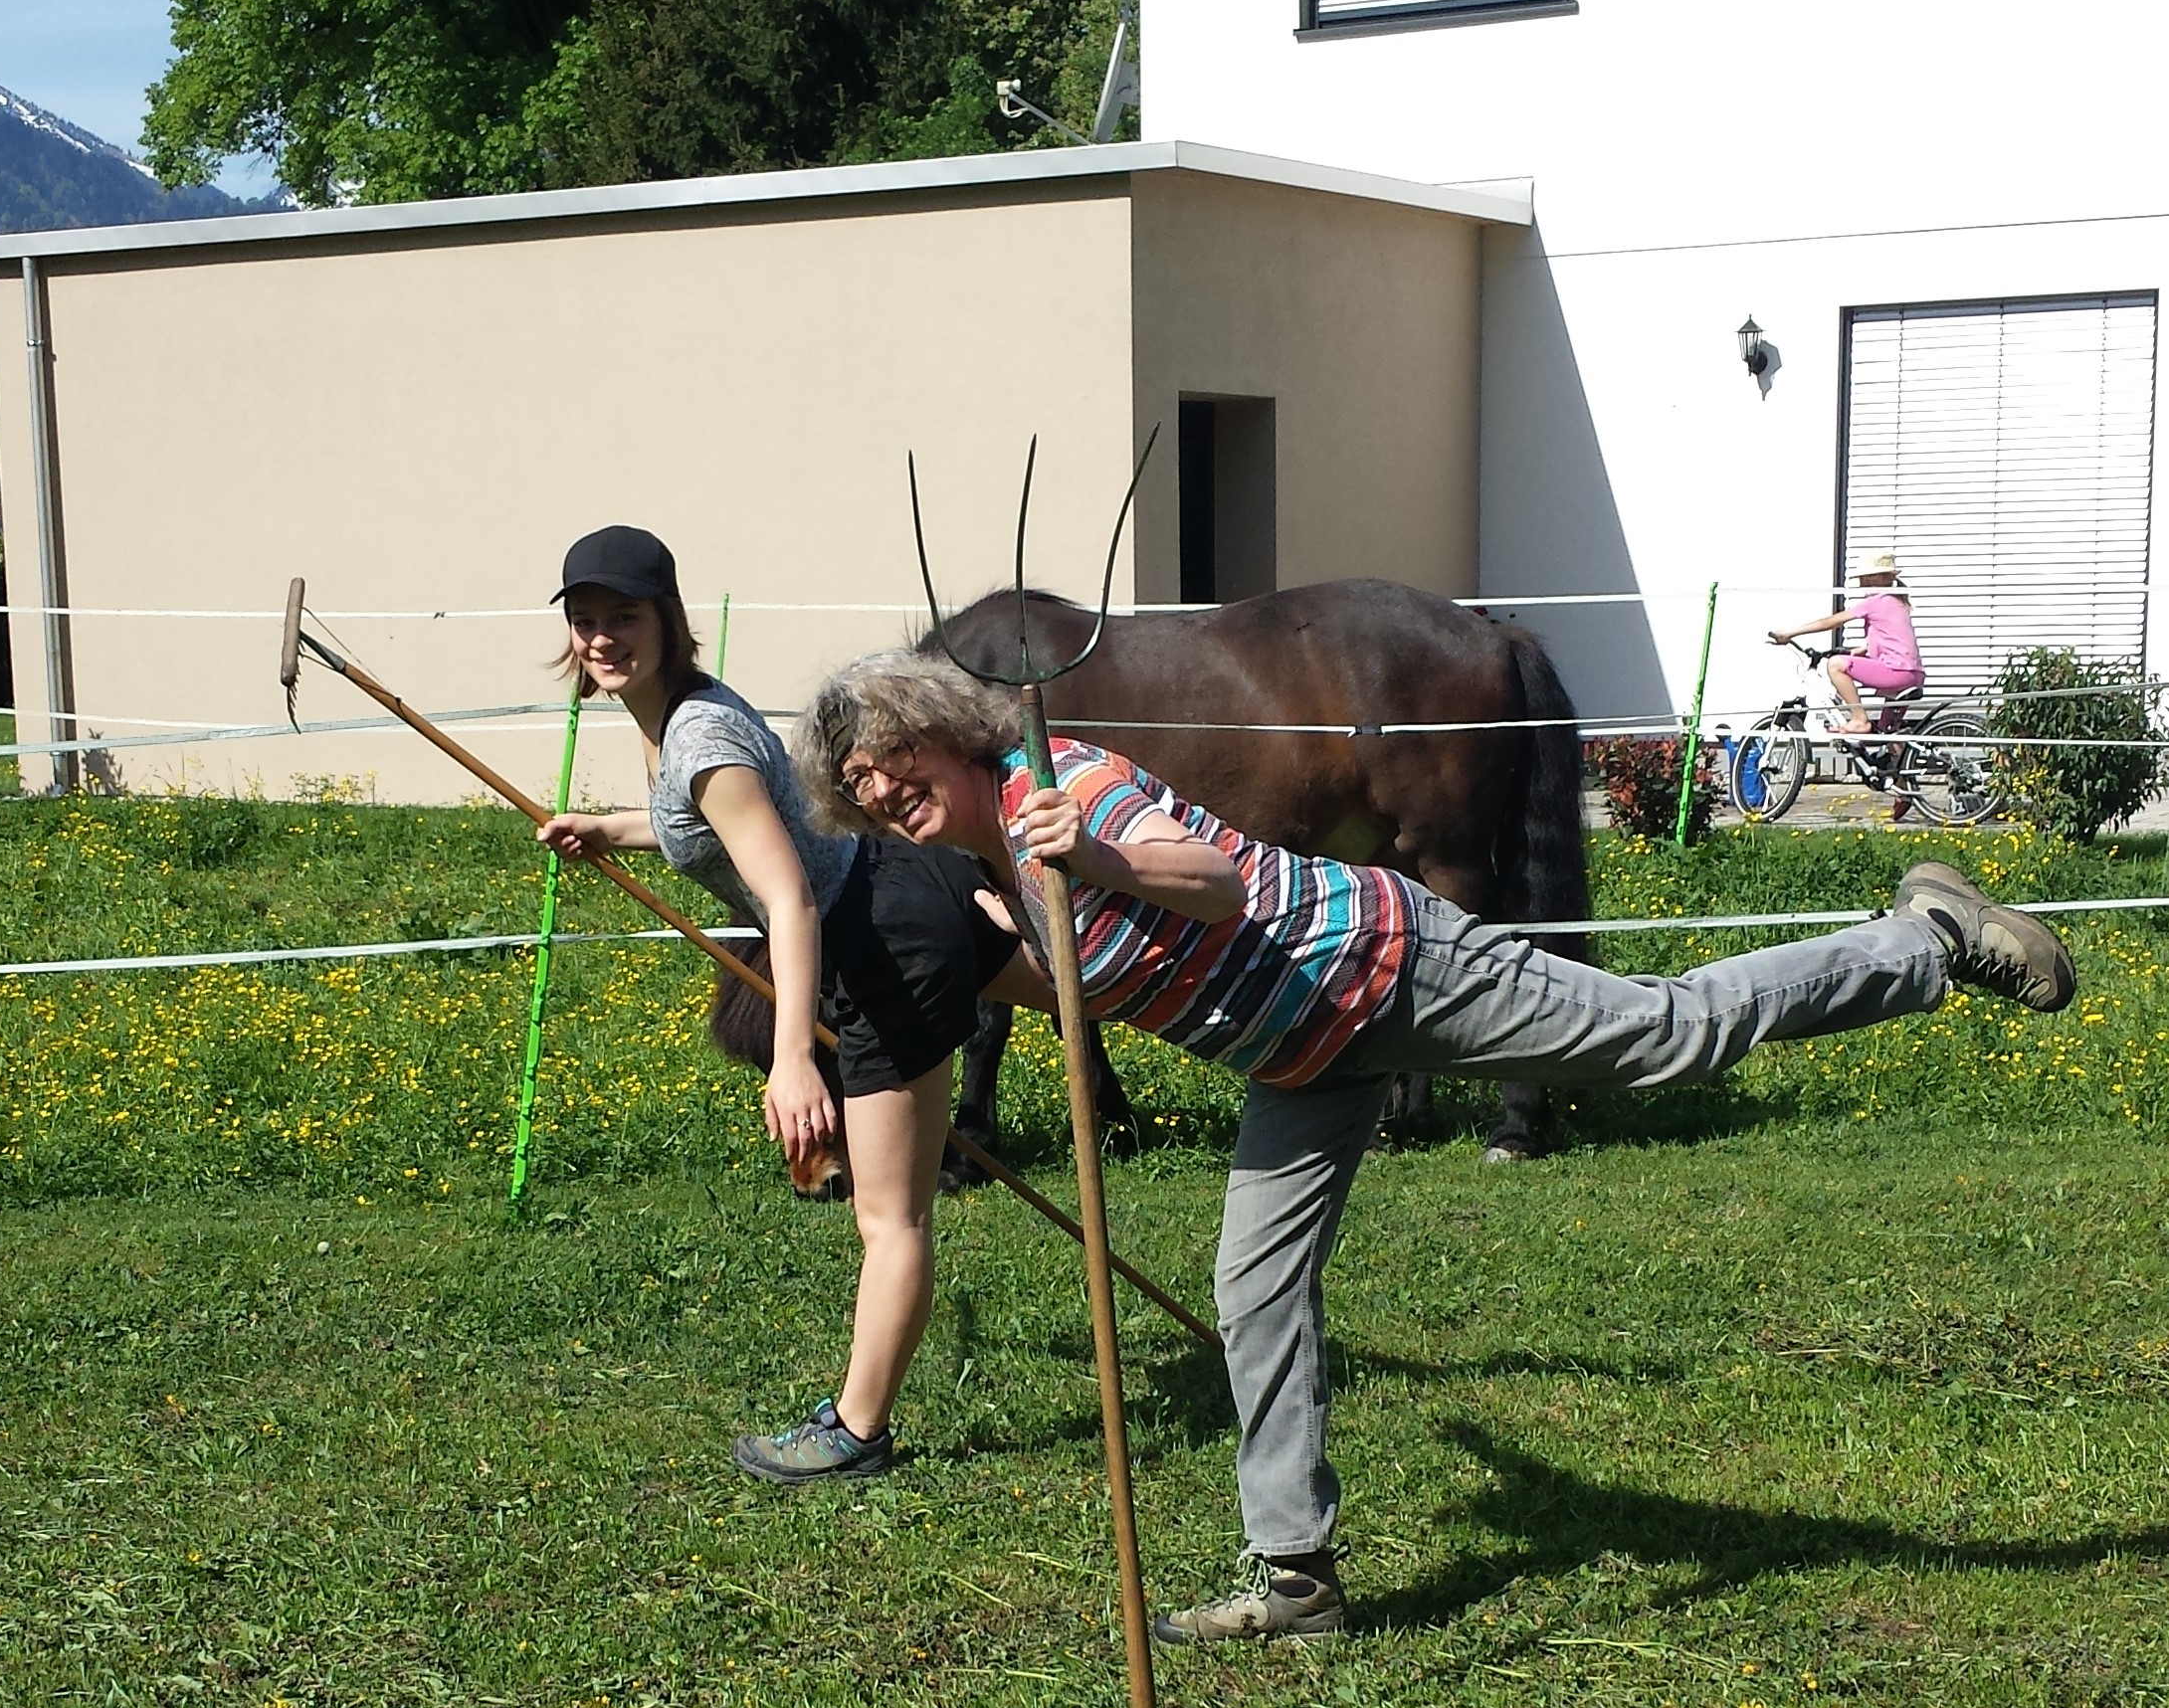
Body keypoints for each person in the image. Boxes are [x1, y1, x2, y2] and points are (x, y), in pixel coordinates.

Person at [802, 646, 2075, 1645]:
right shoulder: (997, 867)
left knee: (1670, 1033)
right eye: (854, 784)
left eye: (885, 756)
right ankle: (1295, 1578)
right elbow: (1104, 980)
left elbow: (1207, 880)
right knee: (1253, 1290)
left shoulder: (1059, 790)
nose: (874, 787)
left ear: (941, 731)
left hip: (1388, 966)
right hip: (1300, 1056)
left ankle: (1922, 938)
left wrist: (1095, 854)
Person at [536, 528, 1028, 1483]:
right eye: (585, 620)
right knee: (1096, 986)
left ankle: (855, 1433)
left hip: (876, 934)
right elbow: (730, 822)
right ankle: (1267, 1009)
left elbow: (788, 897)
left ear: (668, 621)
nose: (601, 638)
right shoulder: (682, 718)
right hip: (895, 890)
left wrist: (796, 1056)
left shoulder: (699, 737)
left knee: (891, 1217)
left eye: (622, 618)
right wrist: (616, 827)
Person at [1772, 560, 1926, 733]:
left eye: (1867, 577)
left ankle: (1859, 719)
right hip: (1913, 674)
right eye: (1862, 577)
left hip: (1897, 671)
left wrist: (1789, 633)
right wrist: (1865, 648)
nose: (1862, 582)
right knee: (1887, 734)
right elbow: (1894, 636)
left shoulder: (1876, 601)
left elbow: (1829, 622)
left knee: (1836, 664)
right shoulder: (1897, 602)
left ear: (1883, 578)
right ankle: (1900, 758)